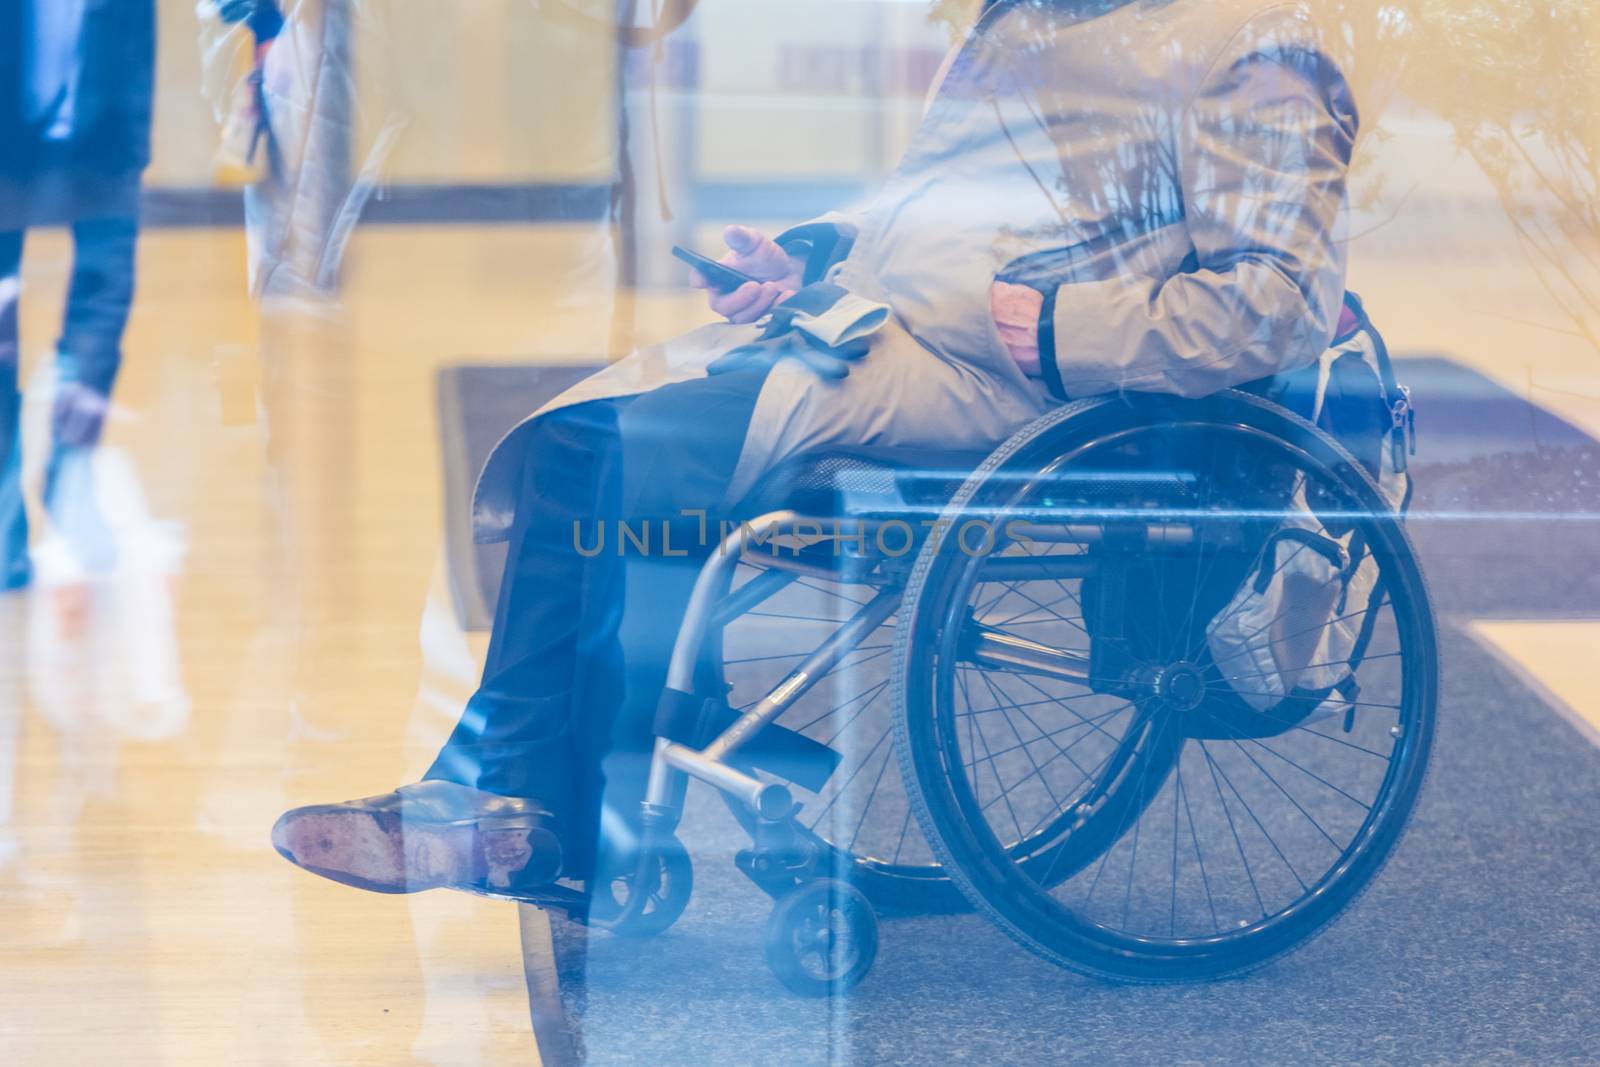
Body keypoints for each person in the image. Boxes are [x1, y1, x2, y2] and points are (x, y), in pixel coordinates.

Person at [271, 0, 1360, 897]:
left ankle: (522, 801)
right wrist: (813, 252)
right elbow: (951, 206)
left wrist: (1057, 331)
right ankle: (518, 803)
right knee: (577, 444)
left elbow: (1274, 306)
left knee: (623, 459)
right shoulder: (1040, 14)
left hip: (1013, 385)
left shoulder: (1249, 50)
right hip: (898, 332)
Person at [0, 0, 157, 589]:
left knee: (105, 293)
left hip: (106, 119)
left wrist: (259, 21)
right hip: (7, 119)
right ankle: (5, 508)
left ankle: (70, 466)